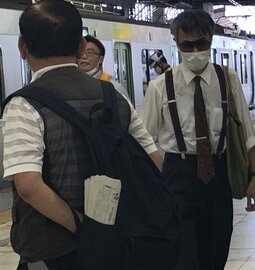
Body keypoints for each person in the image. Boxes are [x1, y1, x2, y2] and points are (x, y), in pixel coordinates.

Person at [2, 0, 162, 268]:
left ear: (22, 47)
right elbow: (154, 161)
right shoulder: (114, 96)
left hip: (51, 250)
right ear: (79, 47)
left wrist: (82, 226)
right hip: (116, 244)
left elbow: (28, 185)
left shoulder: (23, 105)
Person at [141, 9, 255, 270]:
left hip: (218, 175)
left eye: (202, 43)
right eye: (188, 45)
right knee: (186, 255)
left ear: (211, 40)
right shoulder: (161, 86)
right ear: (177, 44)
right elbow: (144, 138)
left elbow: (247, 134)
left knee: (217, 249)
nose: (195, 50)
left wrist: (254, 178)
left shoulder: (227, 79)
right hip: (177, 173)